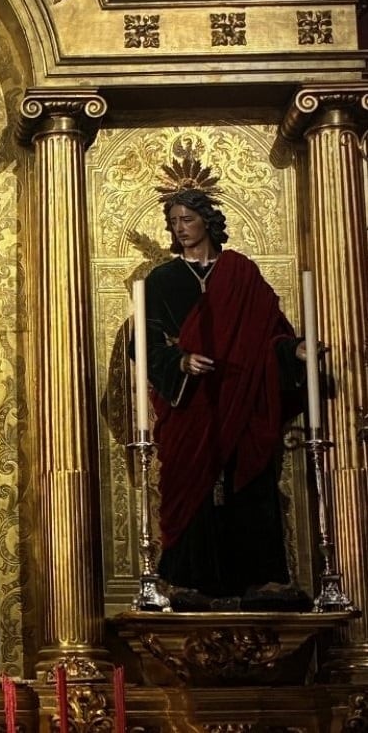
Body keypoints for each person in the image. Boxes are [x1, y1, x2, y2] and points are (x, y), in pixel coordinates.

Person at [141, 188, 307, 607]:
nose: (180, 228)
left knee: (250, 482)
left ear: (208, 222)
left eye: (188, 219)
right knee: (191, 488)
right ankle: (190, 581)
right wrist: (179, 362)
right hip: (191, 407)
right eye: (174, 221)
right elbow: (144, 343)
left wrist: (294, 353)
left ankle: (259, 578)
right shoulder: (163, 280)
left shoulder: (241, 273)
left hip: (243, 398)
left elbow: (272, 335)